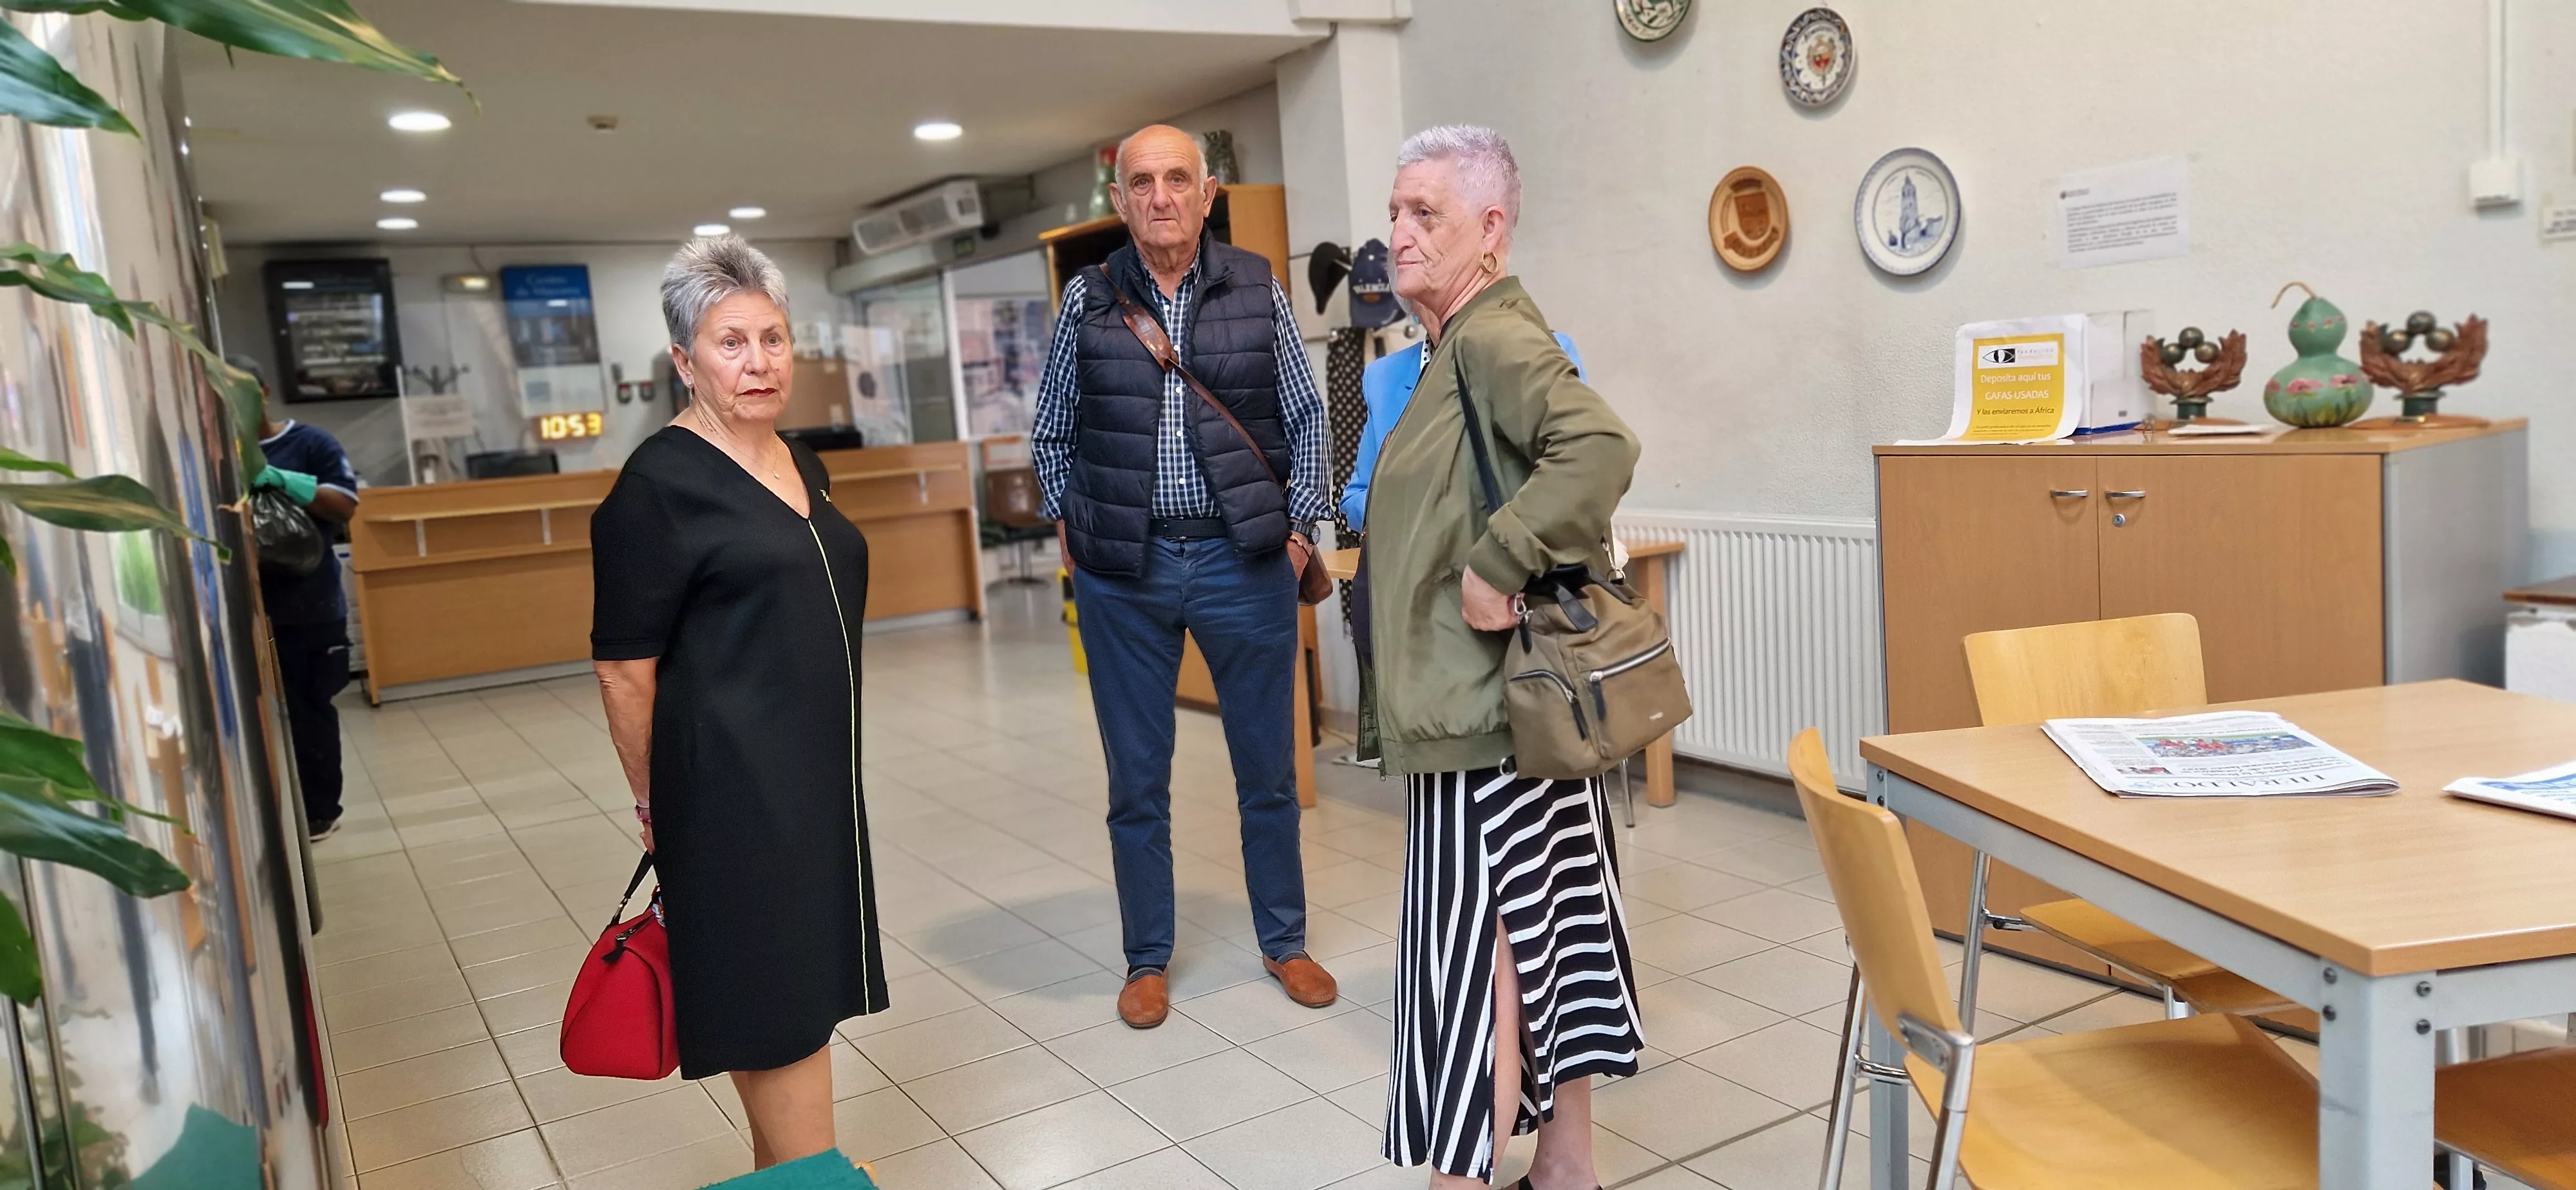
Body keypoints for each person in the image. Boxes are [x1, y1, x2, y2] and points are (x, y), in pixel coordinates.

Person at [1365, 126, 1645, 1189]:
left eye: (1423, 214)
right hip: (1506, 717)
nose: (1398, 232)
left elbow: (1601, 444)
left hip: (1485, 721)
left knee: (1467, 971)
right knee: (1546, 938)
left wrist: (1498, 560)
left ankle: (1459, 1177)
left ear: (1491, 230)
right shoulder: (1451, 346)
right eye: (1394, 211)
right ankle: (1566, 1165)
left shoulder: (1489, 339)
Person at [589, 235, 886, 1169]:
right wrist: (656, 806)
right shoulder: (658, 489)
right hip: (730, 796)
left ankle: (790, 1179)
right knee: (781, 1015)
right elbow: (622, 671)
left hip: (813, 789)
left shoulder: (802, 460)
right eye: (730, 343)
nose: (758, 362)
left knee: (789, 1008)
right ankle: (812, 1181)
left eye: (773, 339)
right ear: (684, 360)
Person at [1032, 123, 1338, 1029]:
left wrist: (1295, 529)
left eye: (1177, 179)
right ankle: (1146, 960)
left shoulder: (1256, 284)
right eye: (1142, 182)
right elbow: (1051, 431)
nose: (1160, 196)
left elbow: (1306, 416)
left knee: (1268, 771)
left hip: (1242, 559)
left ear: (1207, 194)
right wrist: (1078, 535)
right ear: (1120, 203)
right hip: (1123, 570)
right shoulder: (1087, 301)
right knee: (1137, 779)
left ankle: (1285, 941)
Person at [229, 354, 361, 842]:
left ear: (262, 392)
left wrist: (288, 481)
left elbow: (346, 505)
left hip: (309, 608)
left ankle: (319, 811)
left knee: (310, 711)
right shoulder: (213, 450)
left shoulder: (310, 444)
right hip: (238, 611)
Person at [1339, 334, 1584, 529]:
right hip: (1414, 579)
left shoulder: (1546, 350)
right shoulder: (1384, 375)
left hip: (1522, 574)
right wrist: (1407, 513)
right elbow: (1356, 498)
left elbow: (1581, 475)